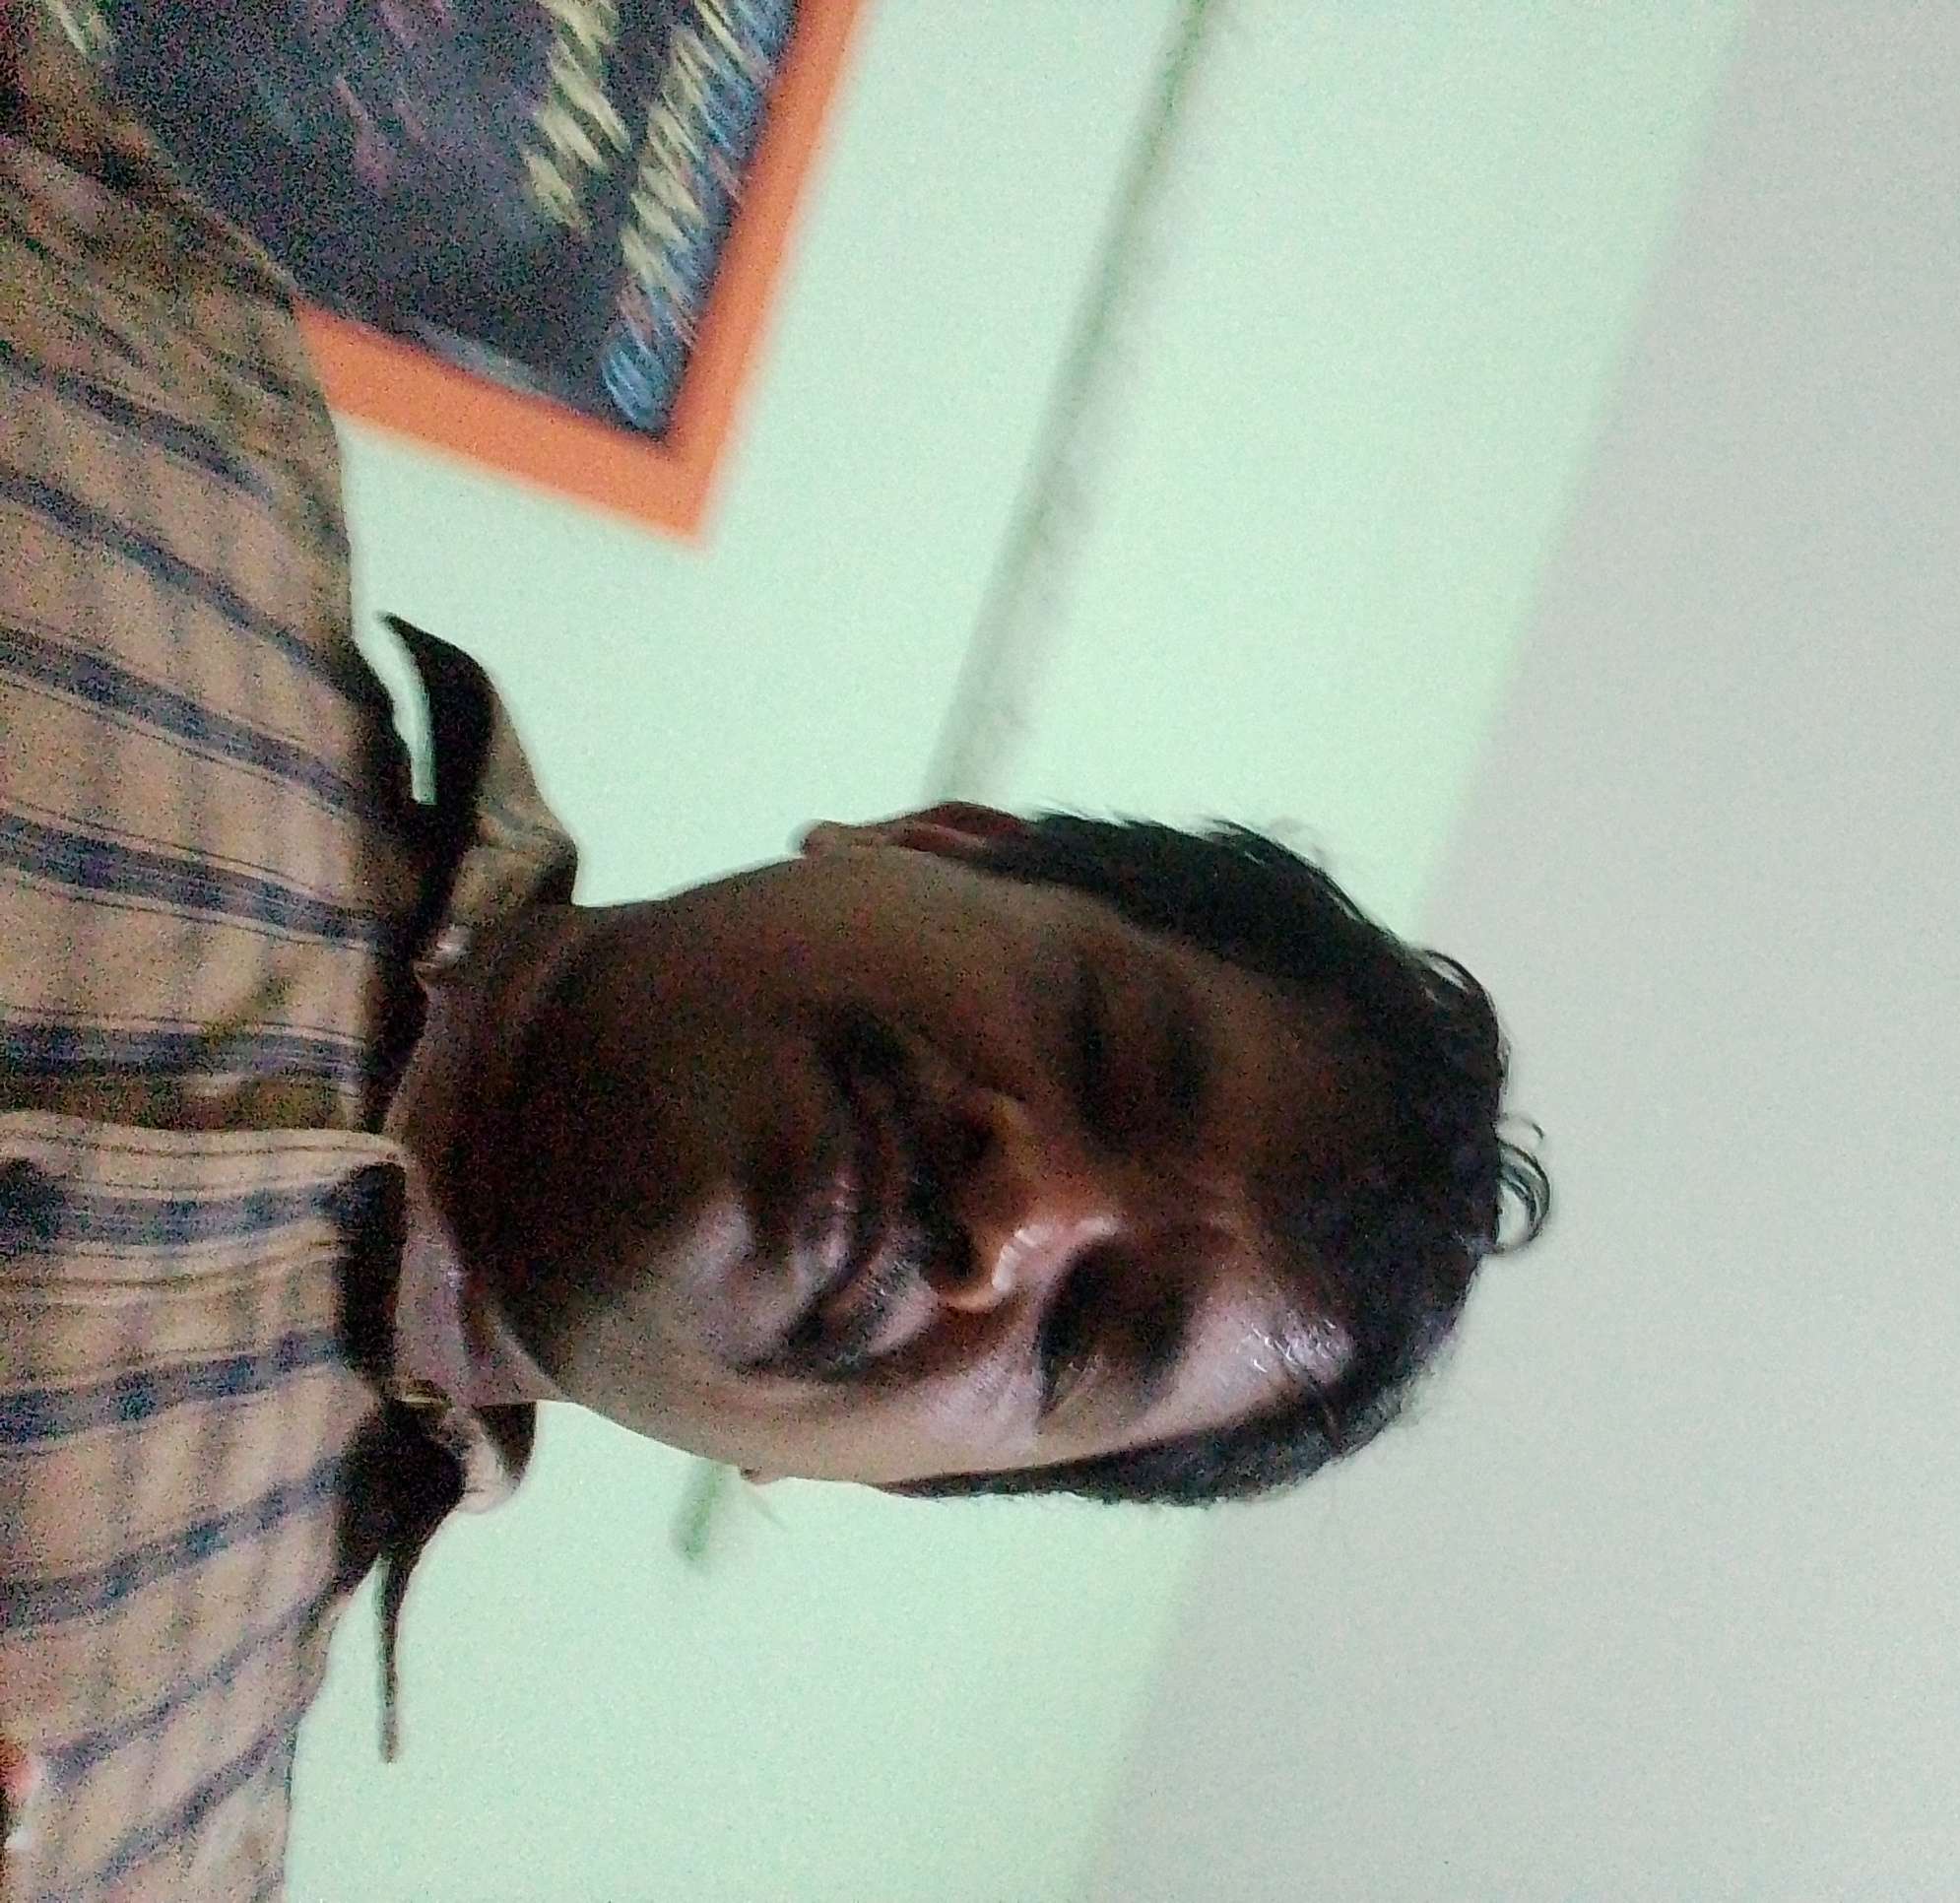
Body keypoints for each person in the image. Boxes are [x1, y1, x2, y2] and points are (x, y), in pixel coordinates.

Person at [0, 4, 1545, 1896]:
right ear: (935, 843)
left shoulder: (140, 1845)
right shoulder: (155, 372)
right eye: (1099, 1046)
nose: (1010, 1213)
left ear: (904, 1484)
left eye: (1086, 1332)